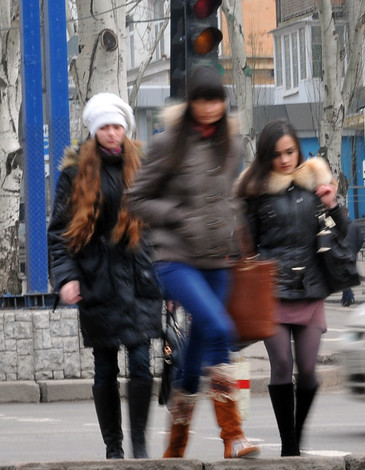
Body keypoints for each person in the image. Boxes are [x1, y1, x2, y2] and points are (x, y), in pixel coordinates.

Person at [127, 65, 260, 459]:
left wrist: (235, 226)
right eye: (201, 100)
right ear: (190, 103)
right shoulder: (168, 144)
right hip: (175, 258)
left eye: (215, 100)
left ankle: (174, 448)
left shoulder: (231, 146)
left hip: (218, 258)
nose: (209, 108)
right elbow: (138, 199)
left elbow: (228, 198)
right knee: (219, 325)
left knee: (199, 350)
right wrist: (178, 215)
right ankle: (232, 436)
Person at [48, 92, 162, 459]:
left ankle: (140, 444)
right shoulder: (74, 174)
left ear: (126, 129)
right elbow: (60, 233)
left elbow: (159, 228)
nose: (113, 134)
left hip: (141, 279)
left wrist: (168, 275)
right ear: (95, 131)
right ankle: (114, 447)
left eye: (118, 127)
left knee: (143, 363)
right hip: (99, 282)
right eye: (105, 127)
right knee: (105, 367)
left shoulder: (143, 169)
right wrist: (66, 278)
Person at [234, 121, 347, 456]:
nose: (284, 160)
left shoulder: (314, 188)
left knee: (309, 371)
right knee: (282, 364)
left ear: (298, 150)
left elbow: (345, 233)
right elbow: (244, 248)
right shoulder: (254, 195)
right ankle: (290, 447)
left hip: (311, 289)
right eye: (276, 154)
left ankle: (295, 435)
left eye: (290, 152)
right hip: (271, 291)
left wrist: (333, 204)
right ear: (265, 156)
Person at [341, 209, 364, 307]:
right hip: (352, 254)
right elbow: (361, 240)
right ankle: (345, 299)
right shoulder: (355, 226)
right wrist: (355, 250)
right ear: (348, 213)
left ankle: (349, 297)